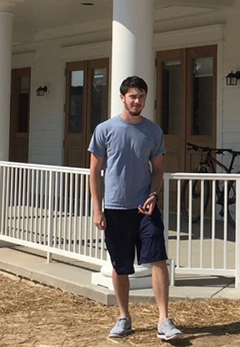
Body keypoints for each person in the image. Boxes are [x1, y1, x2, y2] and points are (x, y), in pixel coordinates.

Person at [89, 76, 182, 341]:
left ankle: (164, 319)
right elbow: (94, 172)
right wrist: (98, 208)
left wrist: (153, 194)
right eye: (132, 96)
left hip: (145, 208)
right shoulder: (105, 129)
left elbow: (159, 169)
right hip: (116, 208)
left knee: (158, 259)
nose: (137, 101)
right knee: (120, 267)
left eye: (141, 96)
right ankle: (123, 317)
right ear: (122, 98)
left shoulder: (153, 131)